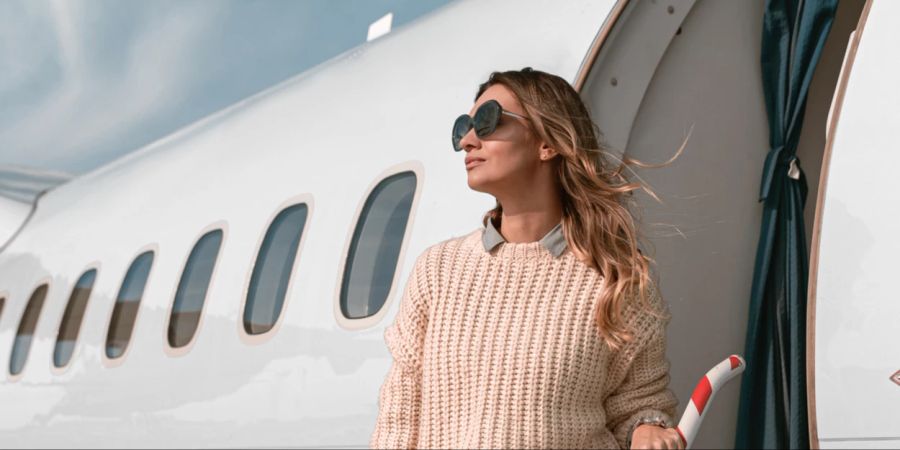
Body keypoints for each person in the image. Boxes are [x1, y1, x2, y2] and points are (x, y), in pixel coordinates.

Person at [370, 67, 687, 449]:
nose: (468, 141)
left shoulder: (615, 278)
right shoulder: (436, 272)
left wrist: (647, 427)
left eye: (487, 122)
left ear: (547, 143)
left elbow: (637, 403)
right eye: (463, 128)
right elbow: (400, 417)